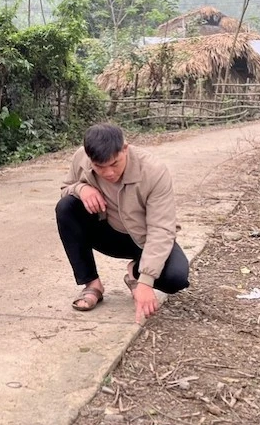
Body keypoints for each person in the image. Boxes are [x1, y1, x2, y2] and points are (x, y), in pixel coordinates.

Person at [56, 123, 190, 323]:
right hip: (107, 233)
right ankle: (92, 285)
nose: (108, 173)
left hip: (144, 240)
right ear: (89, 157)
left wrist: (145, 281)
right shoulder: (81, 158)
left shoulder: (154, 171)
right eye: (100, 167)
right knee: (66, 208)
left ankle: (134, 271)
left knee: (175, 278)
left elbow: (161, 229)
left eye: (115, 163)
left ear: (125, 149)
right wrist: (81, 189)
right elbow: (66, 188)